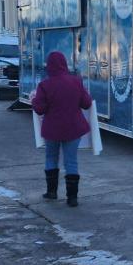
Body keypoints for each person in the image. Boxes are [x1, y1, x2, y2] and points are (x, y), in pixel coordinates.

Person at [32, 51, 92, 207]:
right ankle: (72, 198)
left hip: (52, 129)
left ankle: (51, 192)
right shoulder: (76, 81)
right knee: (71, 161)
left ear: (49, 66)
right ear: (65, 64)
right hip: (73, 128)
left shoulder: (44, 85)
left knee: (51, 158)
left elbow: (39, 109)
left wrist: (34, 100)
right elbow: (86, 104)